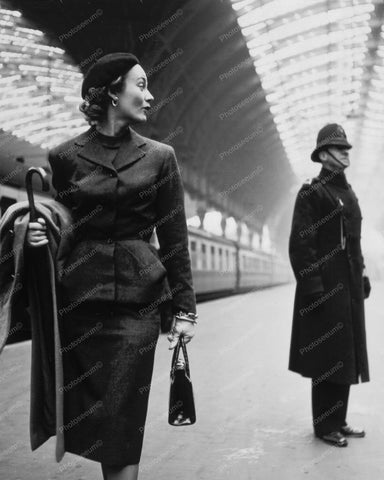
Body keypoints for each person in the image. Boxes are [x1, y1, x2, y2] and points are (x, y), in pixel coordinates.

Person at [27, 52, 197, 480]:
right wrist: (38, 239)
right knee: (96, 424)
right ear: (110, 93)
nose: (149, 95)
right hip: (80, 307)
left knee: (122, 424)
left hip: (137, 308)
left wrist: (185, 308)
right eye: (140, 85)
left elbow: (175, 238)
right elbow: (63, 226)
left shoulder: (161, 157)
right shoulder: (64, 157)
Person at [288, 123, 371, 447]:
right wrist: (314, 289)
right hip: (324, 289)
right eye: (339, 148)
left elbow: (354, 241)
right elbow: (301, 245)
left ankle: (338, 420)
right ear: (323, 155)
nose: (345, 152)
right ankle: (324, 426)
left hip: (347, 287)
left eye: (347, 148)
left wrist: (361, 275)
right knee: (327, 357)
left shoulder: (348, 194)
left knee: (344, 354)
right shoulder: (313, 192)